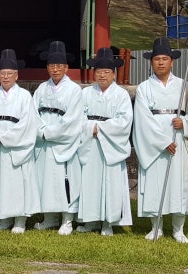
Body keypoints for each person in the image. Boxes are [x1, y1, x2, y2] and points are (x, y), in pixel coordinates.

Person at [133, 37, 188, 243]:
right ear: (151, 62)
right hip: (154, 143)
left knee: (178, 182)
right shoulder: (144, 88)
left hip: (178, 139)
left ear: (172, 61)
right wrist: (161, 142)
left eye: (164, 58)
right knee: (155, 182)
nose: (161, 62)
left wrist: (184, 123)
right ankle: (156, 226)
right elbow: (142, 119)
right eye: (157, 59)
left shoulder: (184, 86)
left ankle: (178, 229)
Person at [0, 49, 40, 234]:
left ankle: (20, 220)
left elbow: (27, 123)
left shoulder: (24, 96)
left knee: (18, 184)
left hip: (16, 148)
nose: (5, 77)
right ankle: (4, 218)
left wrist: (5, 138)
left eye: (9, 74)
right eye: (2, 74)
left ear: (16, 75)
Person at [76, 47, 133, 236]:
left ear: (113, 74)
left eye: (107, 72)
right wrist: (88, 128)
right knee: (90, 182)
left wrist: (99, 128)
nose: (102, 75)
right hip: (90, 142)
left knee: (111, 183)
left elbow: (124, 121)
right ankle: (90, 220)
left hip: (110, 144)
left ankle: (109, 221)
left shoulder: (121, 95)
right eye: (99, 71)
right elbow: (77, 117)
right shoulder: (85, 93)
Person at [32, 41, 83, 235]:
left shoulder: (74, 90)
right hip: (44, 142)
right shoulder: (41, 89)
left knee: (65, 181)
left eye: (59, 66)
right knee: (45, 180)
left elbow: (72, 120)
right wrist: (41, 131)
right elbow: (33, 113)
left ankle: (67, 219)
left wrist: (50, 133)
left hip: (64, 143)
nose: (55, 69)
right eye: (52, 66)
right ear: (47, 68)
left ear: (66, 67)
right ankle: (49, 218)